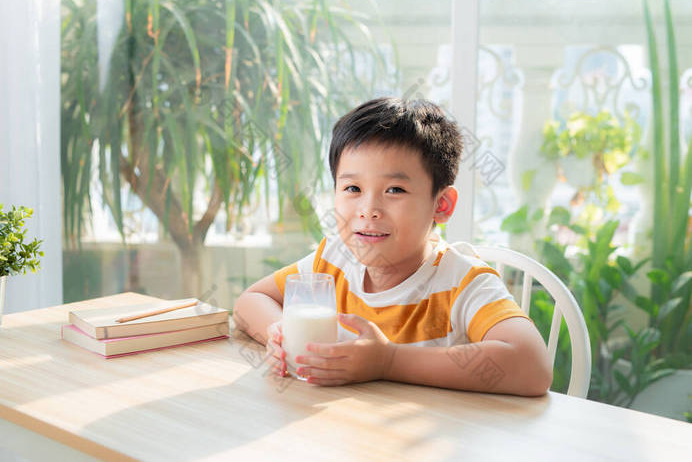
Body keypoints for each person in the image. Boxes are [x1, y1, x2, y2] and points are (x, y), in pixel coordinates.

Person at [233, 97, 552, 396]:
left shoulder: (461, 284)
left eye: (395, 189)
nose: (368, 209)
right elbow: (252, 300)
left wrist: (387, 362)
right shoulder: (333, 259)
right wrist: (278, 332)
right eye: (353, 188)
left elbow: (533, 366)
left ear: (441, 204)